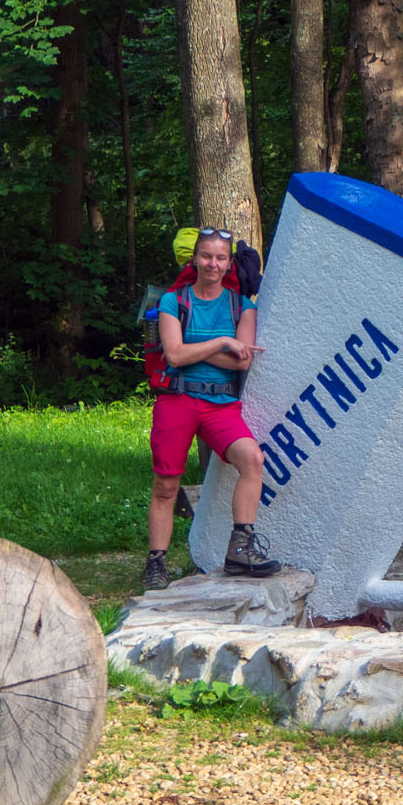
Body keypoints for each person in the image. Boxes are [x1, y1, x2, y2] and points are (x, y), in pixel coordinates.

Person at [142, 227, 281, 590]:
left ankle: (239, 549)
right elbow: (173, 355)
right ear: (195, 259)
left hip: (221, 405)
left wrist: (196, 349)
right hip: (178, 399)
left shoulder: (242, 306)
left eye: (220, 258)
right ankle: (157, 563)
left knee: (252, 460)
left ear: (229, 262)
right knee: (166, 485)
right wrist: (222, 340)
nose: (213, 264)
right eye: (206, 256)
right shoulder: (174, 301)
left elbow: (242, 362)